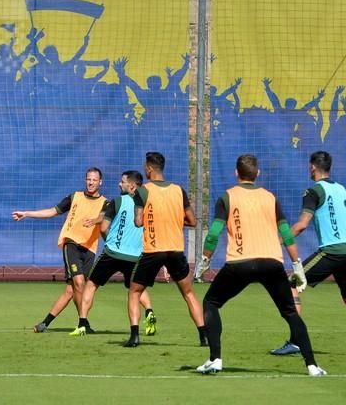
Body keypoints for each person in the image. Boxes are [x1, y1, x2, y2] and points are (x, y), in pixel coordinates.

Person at [194, 154, 326, 376]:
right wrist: (297, 265)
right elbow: (286, 233)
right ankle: (312, 365)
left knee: (211, 302)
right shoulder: (270, 197)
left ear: (237, 173)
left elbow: (214, 233)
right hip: (271, 262)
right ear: (257, 174)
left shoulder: (227, 197)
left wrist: (204, 260)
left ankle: (215, 359)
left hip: (240, 263)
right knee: (290, 313)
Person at [269, 151, 346, 357]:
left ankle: (296, 341)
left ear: (313, 167)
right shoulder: (341, 189)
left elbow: (301, 225)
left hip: (334, 250)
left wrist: (275, 242)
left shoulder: (313, 191)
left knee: (292, 284)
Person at [124, 152, 207, 347]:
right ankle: (203, 336)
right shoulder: (178, 190)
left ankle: (135, 336)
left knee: (135, 291)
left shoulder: (142, 191)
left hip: (154, 249)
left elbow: (138, 222)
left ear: (149, 169)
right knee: (188, 293)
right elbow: (193, 221)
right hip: (175, 249)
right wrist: (173, 219)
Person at [13, 168, 106, 333]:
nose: (91, 182)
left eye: (94, 180)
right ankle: (83, 323)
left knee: (72, 290)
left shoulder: (105, 203)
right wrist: (27, 213)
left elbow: (107, 222)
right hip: (71, 244)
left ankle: (45, 324)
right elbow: (52, 211)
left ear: (100, 182)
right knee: (79, 283)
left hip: (90, 250)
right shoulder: (74, 197)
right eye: (88, 179)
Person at [70, 170, 157, 337]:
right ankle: (149, 311)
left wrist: (111, 240)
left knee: (91, 285)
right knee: (136, 288)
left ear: (131, 185)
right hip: (134, 255)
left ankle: (82, 323)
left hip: (112, 253)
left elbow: (103, 227)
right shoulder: (147, 205)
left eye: (122, 182)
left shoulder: (117, 201)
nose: (119, 184)